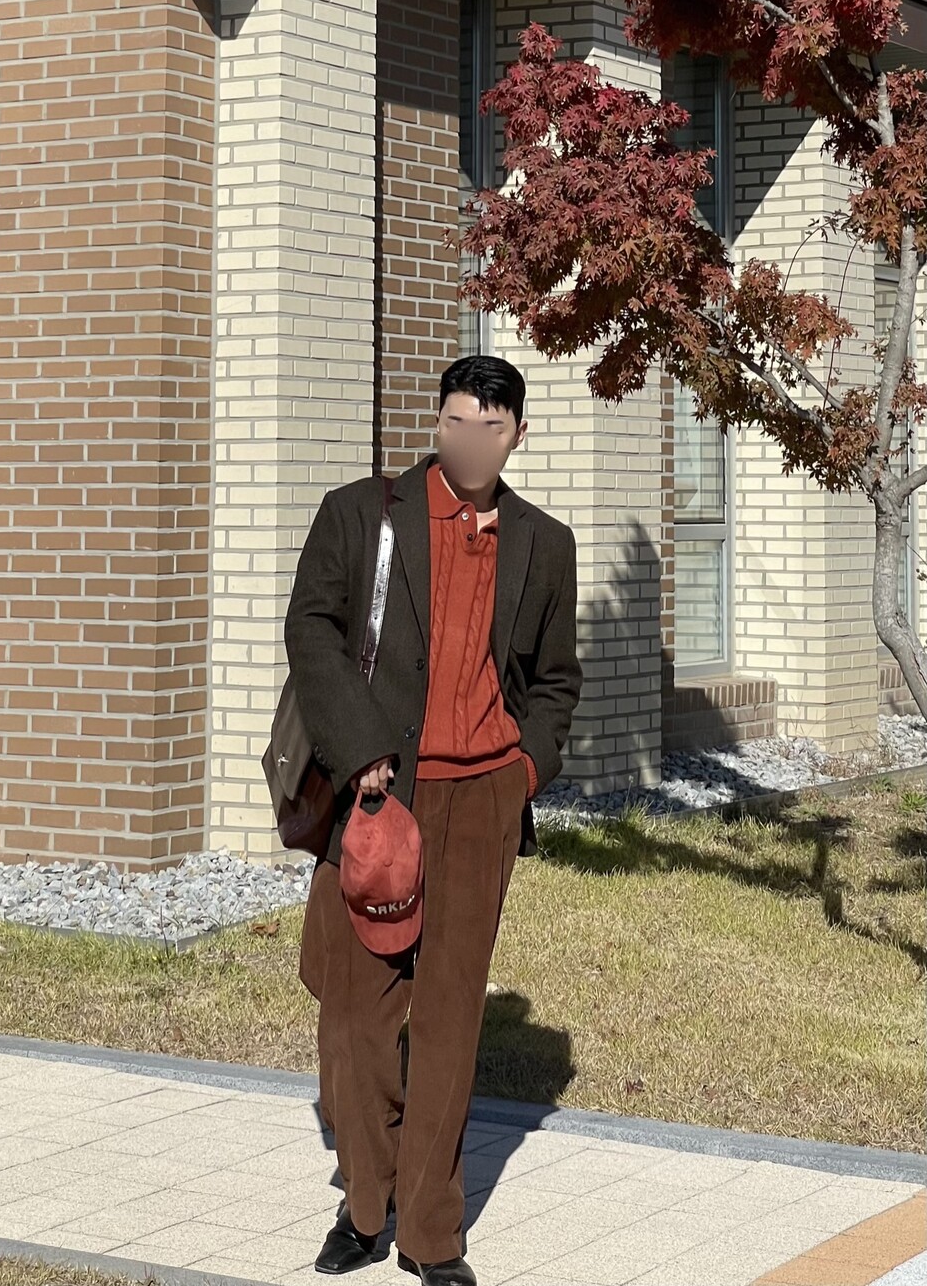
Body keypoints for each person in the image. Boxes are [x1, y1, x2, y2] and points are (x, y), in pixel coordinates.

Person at [283, 355, 582, 1286]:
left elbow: (556, 680)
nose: (472, 443)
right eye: (458, 423)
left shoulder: (544, 542)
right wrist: (359, 747)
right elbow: (311, 629)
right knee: (355, 1017)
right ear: (437, 422)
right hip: (379, 793)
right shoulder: (359, 514)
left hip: (484, 800)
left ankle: (430, 1234)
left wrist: (524, 772)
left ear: (518, 434)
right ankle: (364, 1205)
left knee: (449, 1022)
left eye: (491, 428)